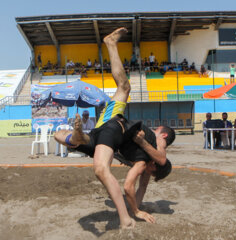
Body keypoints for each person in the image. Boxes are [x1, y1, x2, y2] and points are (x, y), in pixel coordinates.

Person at [54, 27, 175, 228]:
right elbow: (135, 185)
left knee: (65, 137)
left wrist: (136, 206)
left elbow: (157, 164)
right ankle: (110, 43)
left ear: (163, 133)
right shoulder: (147, 160)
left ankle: (78, 137)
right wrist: (135, 209)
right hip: (112, 128)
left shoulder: (159, 144)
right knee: (124, 88)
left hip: (109, 126)